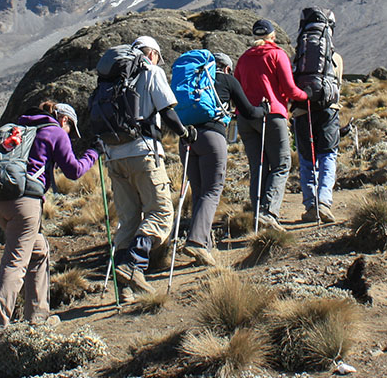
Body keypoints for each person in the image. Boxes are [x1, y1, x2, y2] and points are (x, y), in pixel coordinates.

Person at [0, 102, 98, 349]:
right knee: (15, 264)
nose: (69, 134)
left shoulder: (18, 128)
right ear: (64, 119)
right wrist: (93, 153)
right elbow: (73, 171)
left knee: (39, 251)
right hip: (25, 204)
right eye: (70, 128)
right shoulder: (55, 132)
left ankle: (38, 317)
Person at [100, 36, 193, 301]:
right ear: (151, 53)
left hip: (113, 156)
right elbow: (167, 110)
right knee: (161, 212)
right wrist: (185, 133)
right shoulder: (151, 71)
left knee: (128, 220)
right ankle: (134, 264)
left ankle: (124, 288)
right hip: (143, 152)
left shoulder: (110, 77)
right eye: (157, 57)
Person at [178, 53, 266, 266]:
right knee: (212, 191)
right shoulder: (227, 80)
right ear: (226, 68)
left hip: (187, 138)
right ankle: (197, 241)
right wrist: (264, 109)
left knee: (199, 191)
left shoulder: (193, 80)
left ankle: (206, 247)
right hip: (212, 137)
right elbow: (249, 112)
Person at [234, 19, 310, 229]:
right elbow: (289, 89)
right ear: (273, 36)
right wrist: (306, 95)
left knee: (258, 166)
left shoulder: (244, 58)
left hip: (245, 118)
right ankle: (268, 212)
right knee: (281, 164)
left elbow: (236, 87)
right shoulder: (277, 55)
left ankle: (258, 215)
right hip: (272, 115)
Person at [293, 44, 344, 223]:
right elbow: (338, 87)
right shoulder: (336, 59)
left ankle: (310, 206)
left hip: (302, 112)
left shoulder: (298, 58)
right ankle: (324, 202)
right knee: (328, 156)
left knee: (307, 159)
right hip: (329, 111)